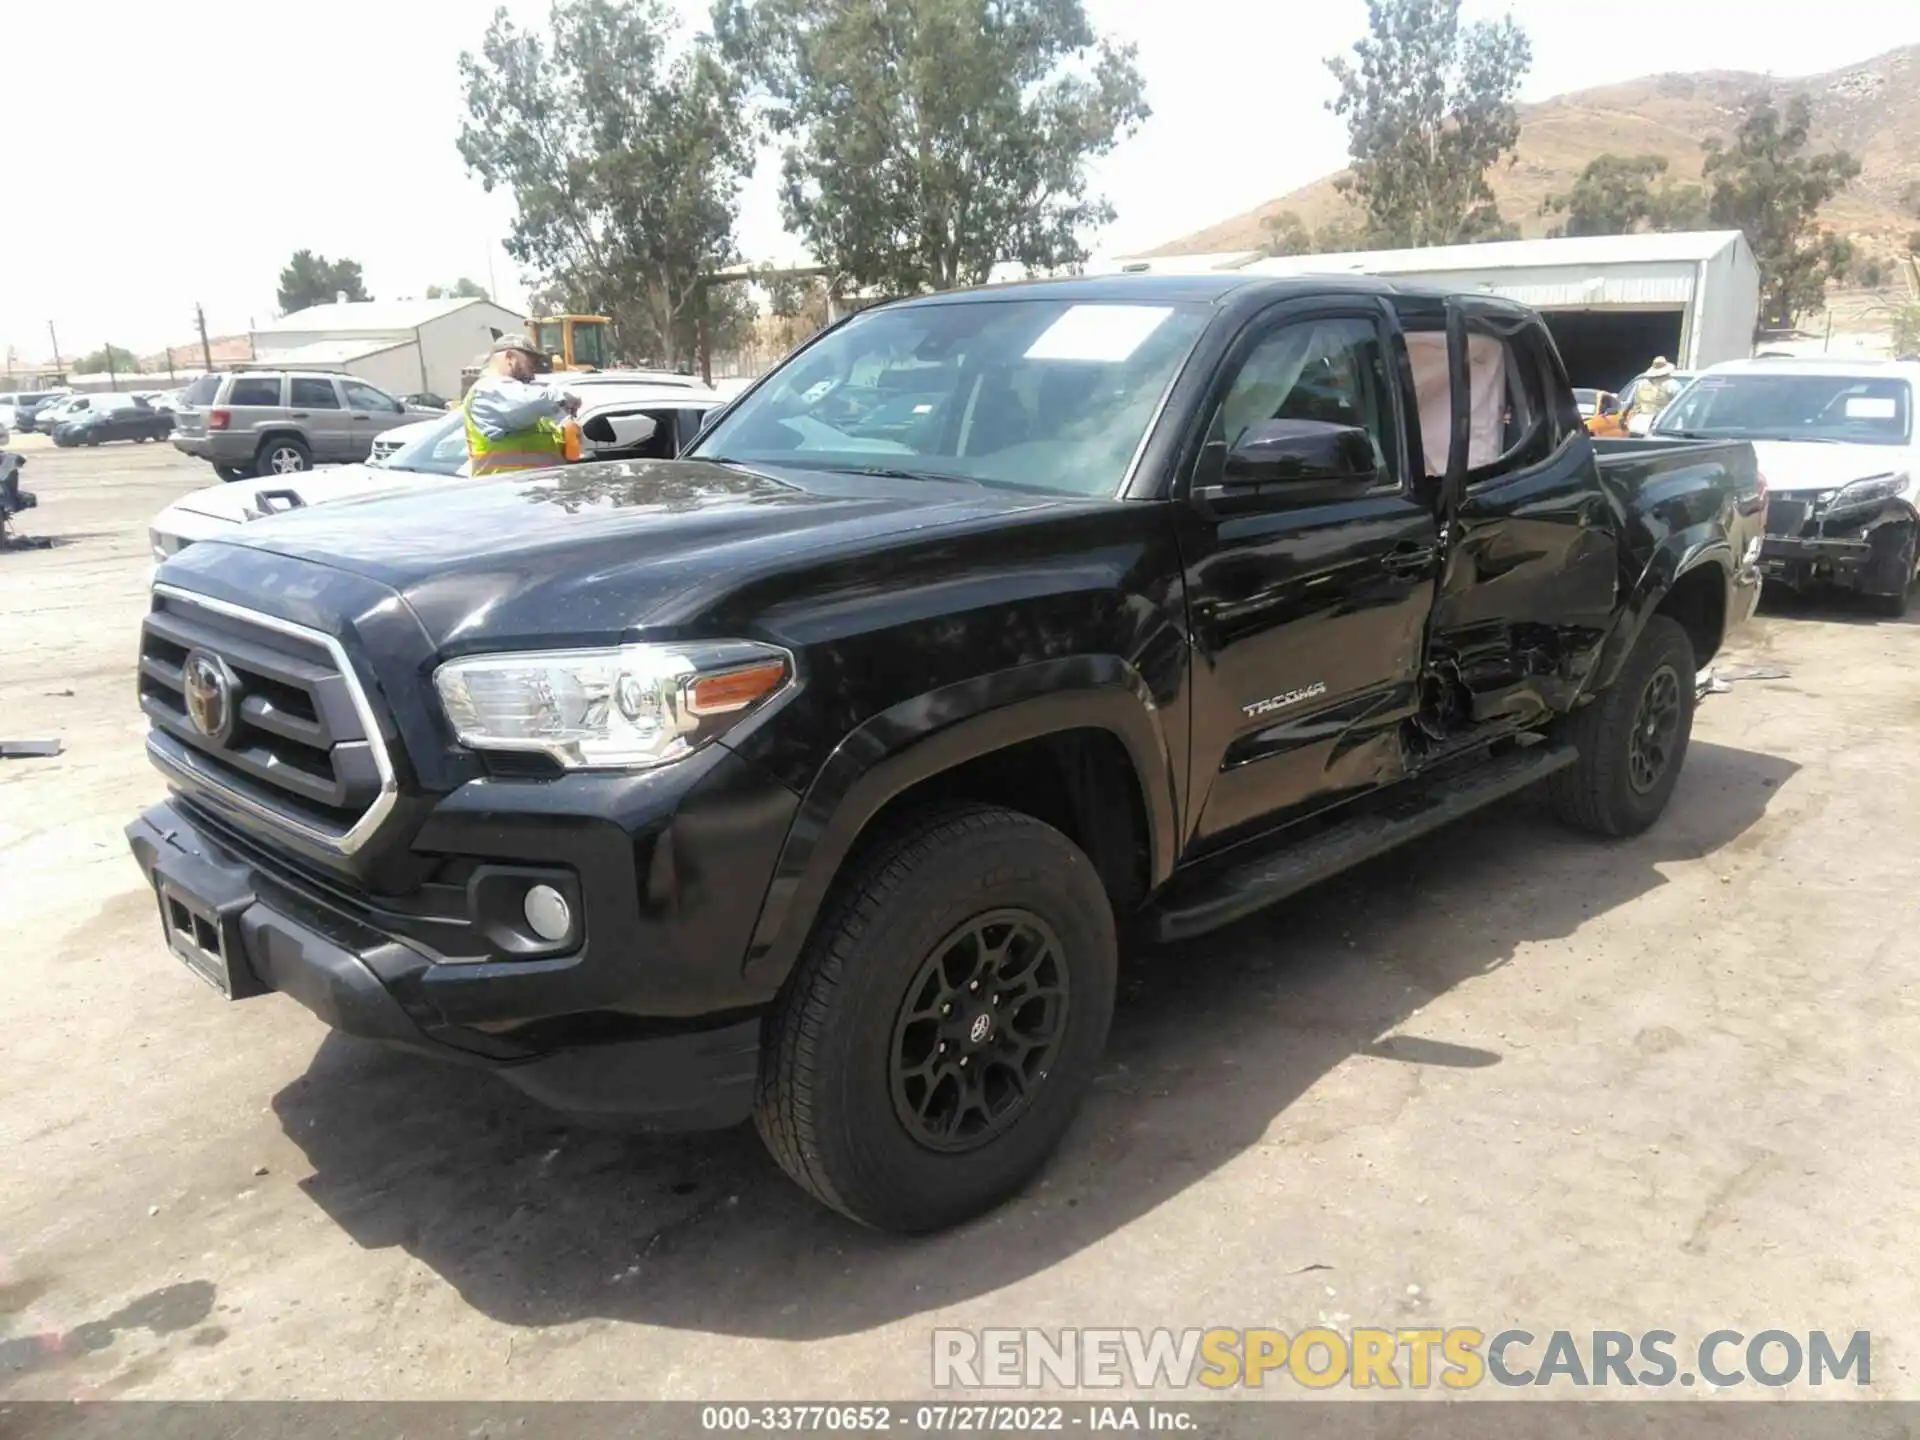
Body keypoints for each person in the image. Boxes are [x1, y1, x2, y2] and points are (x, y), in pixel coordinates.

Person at [462, 334, 581, 475]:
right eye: (530, 361)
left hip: (530, 491)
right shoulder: (488, 390)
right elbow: (532, 402)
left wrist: (566, 436)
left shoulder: (517, 397)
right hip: (503, 491)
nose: (534, 369)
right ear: (510, 357)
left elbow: (535, 442)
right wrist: (563, 397)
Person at [1627, 357, 1682, 422]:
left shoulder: (1641, 384)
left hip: (1642, 422)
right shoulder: (1672, 384)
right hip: (1662, 423)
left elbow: (1636, 405)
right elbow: (1681, 407)